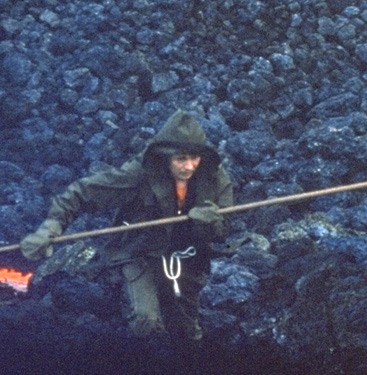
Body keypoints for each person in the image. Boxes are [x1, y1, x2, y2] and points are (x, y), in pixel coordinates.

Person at [20, 109, 233, 341]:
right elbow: (85, 192)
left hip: (187, 259)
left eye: (195, 158)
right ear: (165, 157)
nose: (190, 166)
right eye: (181, 159)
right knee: (146, 323)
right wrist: (50, 228)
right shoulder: (141, 172)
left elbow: (222, 232)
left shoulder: (214, 177)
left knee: (186, 333)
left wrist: (209, 223)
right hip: (140, 255)